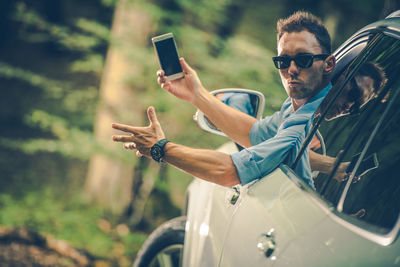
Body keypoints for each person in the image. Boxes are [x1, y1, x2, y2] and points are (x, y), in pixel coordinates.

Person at [112, 11, 336, 189]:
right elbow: (255, 135)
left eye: (304, 59)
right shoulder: (297, 106)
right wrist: (196, 94)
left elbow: (229, 171)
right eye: (283, 61)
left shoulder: (309, 117)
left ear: (328, 64)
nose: (292, 70)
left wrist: (160, 148)